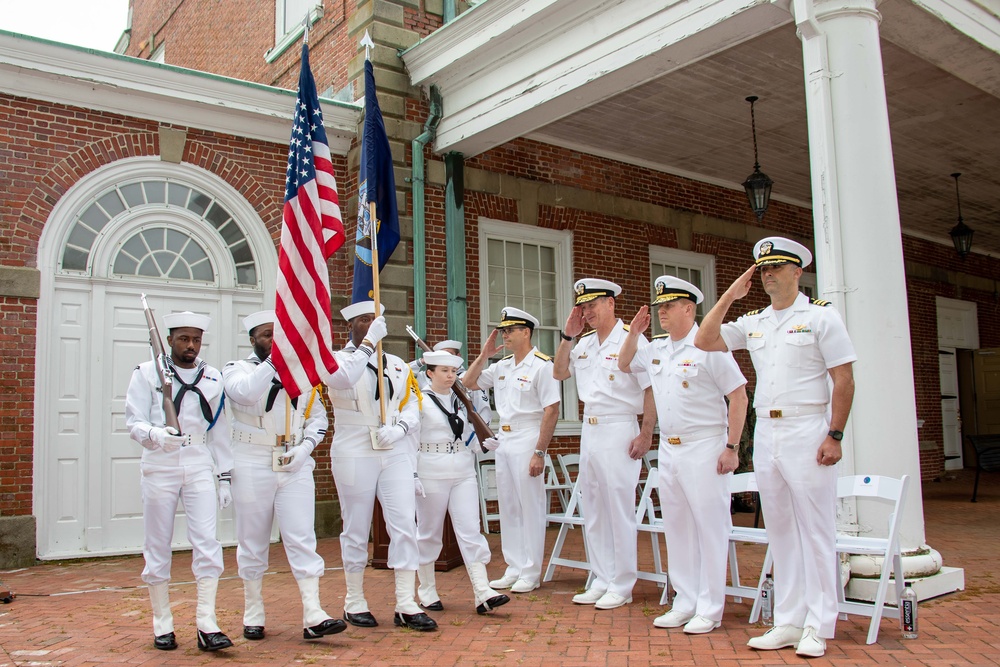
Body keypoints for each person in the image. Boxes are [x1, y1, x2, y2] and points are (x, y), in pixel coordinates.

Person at [694, 237, 857, 658]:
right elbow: (704, 340)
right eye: (763, 269)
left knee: (816, 531)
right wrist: (731, 294)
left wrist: (834, 434)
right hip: (767, 431)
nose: (768, 275)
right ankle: (788, 619)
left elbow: (844, 379)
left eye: (777, 267)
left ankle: (819, 624)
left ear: (797, 271)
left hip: (808, 428)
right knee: (780, 530)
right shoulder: (755, 320)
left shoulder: (821, 317)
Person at [617, 276, 748, 634]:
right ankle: (684, 600)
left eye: (669, 306)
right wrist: (634, 332)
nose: (662, 312)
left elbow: (739, 396)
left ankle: (710, 606)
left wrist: (732, 448)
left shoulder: (710, 346)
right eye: (660, 307)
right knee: (676, 528)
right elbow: (624, 363)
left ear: (689, 309)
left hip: (705, 445)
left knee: (710, 528)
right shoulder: (657, 348)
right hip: (670, 449)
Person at [222, 310, 346, 642]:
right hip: (252, 460)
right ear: (252, 340)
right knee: (253, 539)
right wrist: (276, 363)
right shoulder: (237, 369)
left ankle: (313, 613)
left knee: (302, 536)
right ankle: (253, 612)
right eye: (267, 335)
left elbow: (318, 418)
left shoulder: (304, 376)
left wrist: (306, 448)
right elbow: (246, 394)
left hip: (293, 462)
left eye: (279, 335)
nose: (275, 341)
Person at [323, 301, 437, 632]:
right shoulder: (337, 360)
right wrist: (369, 344)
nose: (371, 324)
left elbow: (414, 403)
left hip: (394, 448)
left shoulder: (398, 365)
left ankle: (405, 602)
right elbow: (343, 381)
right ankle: (354, 600)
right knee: (356, 526)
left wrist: (401, 428)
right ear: (351, 327)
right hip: (354, 447)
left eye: (375, 320)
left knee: (403, 523)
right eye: (363, 320)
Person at [124, 311, 234, 652]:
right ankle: (162, 623)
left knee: (207, 542)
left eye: (197, 339)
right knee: (158, 544)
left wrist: (225, 475)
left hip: (199, 462)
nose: (191, 346)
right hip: (160, 463)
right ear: (169, 339)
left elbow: (218, 429)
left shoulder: (212, 377)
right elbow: (133, 421)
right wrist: (157, 434)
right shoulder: (147, 373)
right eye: (184, 339)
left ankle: (207, 622)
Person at [552, 279, 656, 610]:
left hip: (620, 427)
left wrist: (646, 433)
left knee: (618, 508)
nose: (587, 311)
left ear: (611, 303)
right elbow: (559, 372)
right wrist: (568, 336)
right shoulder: (582, 345)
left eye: (593, 304)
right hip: (591, 429)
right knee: (593, 507)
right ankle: (601, 576)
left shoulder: (632, 340)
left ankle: (622, 583)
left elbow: (651, 388)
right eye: (583, 306)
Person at [464, 307, 560, 594]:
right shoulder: (502, 366)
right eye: (503, 330)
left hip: (529, 436)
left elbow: (552, 410)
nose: (504, 334)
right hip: (504, 441)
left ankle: (531, 571)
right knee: (509, 507)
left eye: (510, 330)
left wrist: (539, 452)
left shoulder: (542, 365)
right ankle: (514, 566)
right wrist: (484, 356)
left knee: (530, 507)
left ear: (526, 332)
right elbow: (467, 383)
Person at [412, 350, 511, 615]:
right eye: (444, 371)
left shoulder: (461, 400)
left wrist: (483, 444)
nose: (450, 376)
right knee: (429, 533)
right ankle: (427, 589)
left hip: (463, 469)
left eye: (453, 371)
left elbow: (467, 435)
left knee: (470, 530)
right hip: (430, 470)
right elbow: (410, 440)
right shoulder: (418, 400)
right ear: (429, 373)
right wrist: (411, 474)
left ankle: (482, 591)